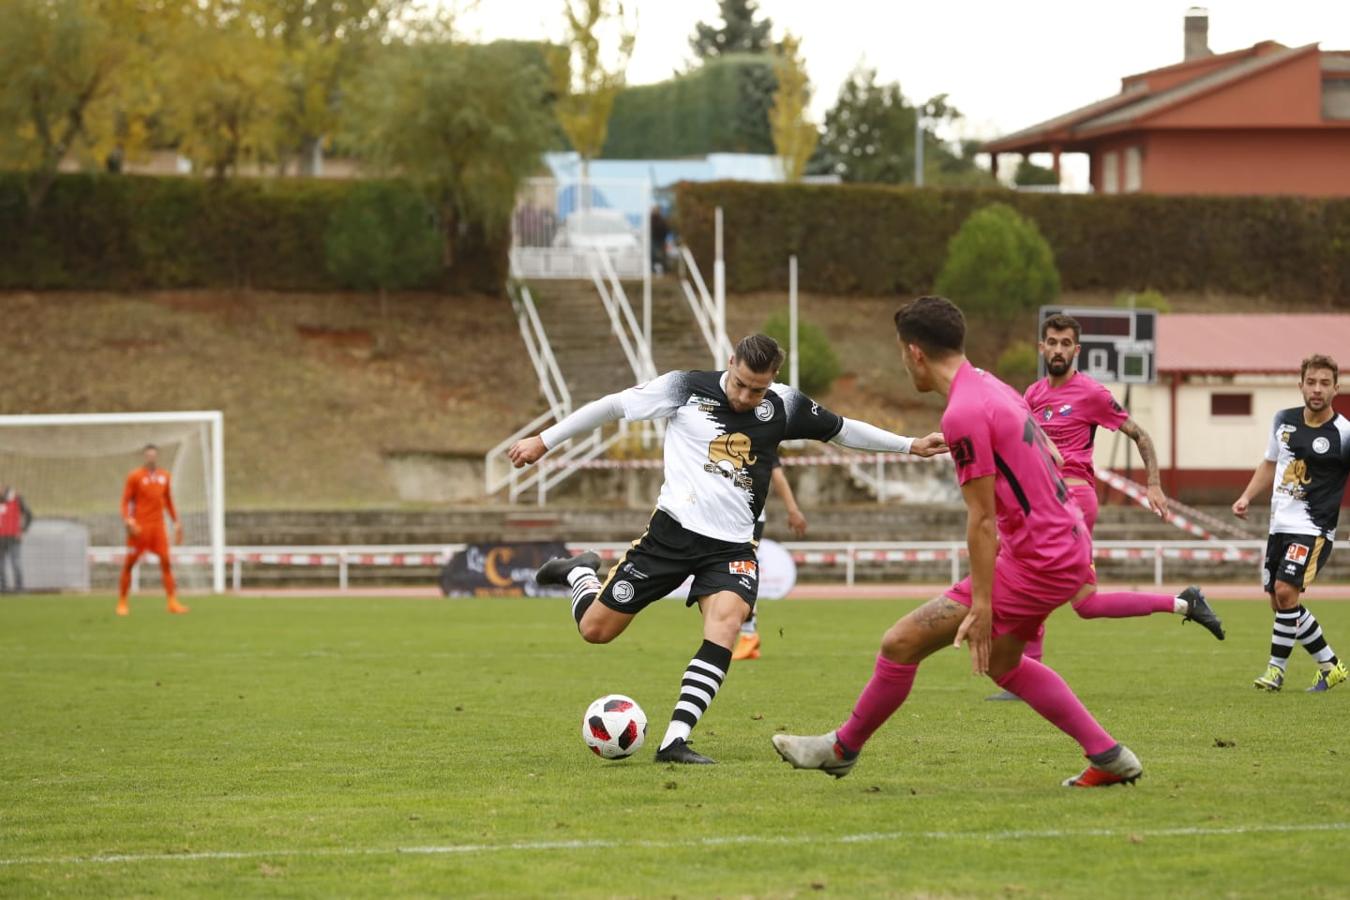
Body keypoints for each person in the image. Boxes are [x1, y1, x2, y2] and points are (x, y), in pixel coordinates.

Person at [772, 296, 1208, 788]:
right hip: (1063, 544)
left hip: (1039, 558)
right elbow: (1039, 451)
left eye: (900, 353)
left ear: (914, 353)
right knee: (1004, 663)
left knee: (900, 642)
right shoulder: (990, 387)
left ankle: (842, 748)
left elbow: (981, 520)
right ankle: (1109, 756)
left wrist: (981, 604)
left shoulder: (963, 412)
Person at [509, 334, 948, 764]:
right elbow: (611, 407)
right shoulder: (685, 388)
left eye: (757, 389)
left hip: (732, 546)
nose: (744, 397)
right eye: (739, 383)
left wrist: (908, 444)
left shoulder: (783, 403)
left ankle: (674, 741)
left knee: (727, 623)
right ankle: (580, 571)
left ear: (773, 379)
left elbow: (841, 430)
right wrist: (544, 440)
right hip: (671, 536)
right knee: (595, 630)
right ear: (731, 361)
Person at [985, 314, 1224, 700]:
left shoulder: (1092, 393)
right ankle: (1184, 603)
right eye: (1052, 342)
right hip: (1042, 502)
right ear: (1041, 347)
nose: (1059, 349)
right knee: (1086, 603)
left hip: (1072, 502)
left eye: (1066, 343)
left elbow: (1139, 434)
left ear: (1076, 350)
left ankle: (1023, 673)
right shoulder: (1032, 395)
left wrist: (1154, 484)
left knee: (1026, 578)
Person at [1233, 353, 1350, 693]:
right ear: (1300, 385)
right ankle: (1330, 665)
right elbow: (1270, 464)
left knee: (1286, 592)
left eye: (1325, 383)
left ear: (1336, 388)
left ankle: (1275, 671)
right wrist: (1246, 496)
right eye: (1311, 382)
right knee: (1279, 601)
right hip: (1279, 525)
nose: (1317, 389)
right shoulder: (1282, 420)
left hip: (1314, 528)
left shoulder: (1343, 433)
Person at [733, 462, 808, 661]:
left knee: (740, 569)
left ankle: (749, 635)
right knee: (729, 570)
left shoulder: (760, 435)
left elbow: (778, 476)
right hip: (725, 515)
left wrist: (792, 510)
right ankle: (745, 635)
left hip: (749, 516)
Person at [117, 445, 188, 616]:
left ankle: (172, 602)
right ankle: (122, 602)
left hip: (158, 528)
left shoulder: (165, 476)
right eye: (148, 455)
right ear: (144, 457)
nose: (151, 458)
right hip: (139, 529)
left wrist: (176, 521)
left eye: (153, 455)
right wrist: (128, 519)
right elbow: (125, 501)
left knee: (166, 564)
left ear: (157, 456)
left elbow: (168, 501)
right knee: (129, 564)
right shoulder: (135, 476)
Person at [0, 484, 33, 593]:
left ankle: (19, 587)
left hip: (14, 537)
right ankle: (3, 587)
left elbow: (29, 515)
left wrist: (23, 530)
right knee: (1, 563)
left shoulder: (17, 499)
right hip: (1, 538)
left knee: (16, 562)